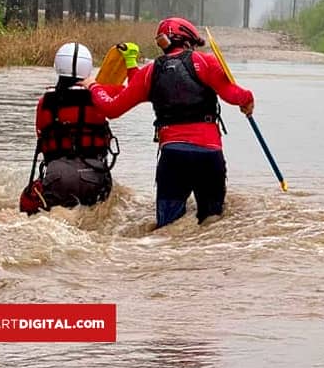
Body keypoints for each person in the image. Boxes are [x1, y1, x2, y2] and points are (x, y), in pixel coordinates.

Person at [79, 17, 255, 229]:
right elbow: (235, 95)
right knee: (212, 225)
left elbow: (112, 108)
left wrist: (93, 86)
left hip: (173, 157)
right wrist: (247, 101)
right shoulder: (206, 62)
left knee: (168, 229)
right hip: (209, 156)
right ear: (188, 41)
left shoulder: (149, 73)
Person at [19, 42, 140, 214]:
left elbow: (41, 135)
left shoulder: (44, 102)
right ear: (88, 68)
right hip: (95, 175)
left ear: (57, 66)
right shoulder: (102, 94)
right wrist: (130, 61)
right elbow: (136, 89)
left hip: (57, 176)